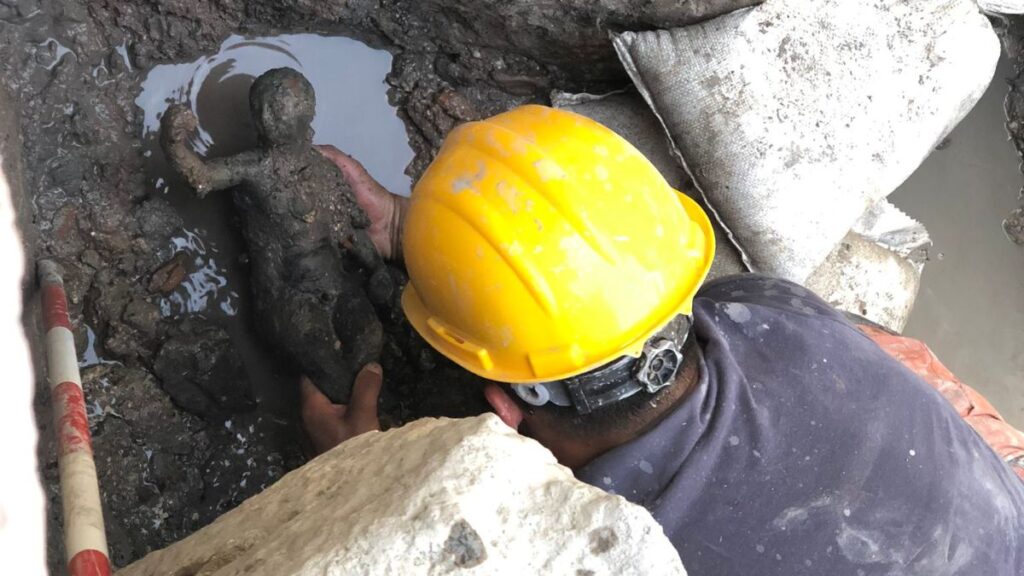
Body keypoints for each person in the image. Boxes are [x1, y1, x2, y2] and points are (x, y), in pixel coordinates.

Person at [304, 106, 1024, 575]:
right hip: (994, 514)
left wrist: (365, 482)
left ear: (505, 409)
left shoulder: (606, 549)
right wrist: (417, 233)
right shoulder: (773, 310)